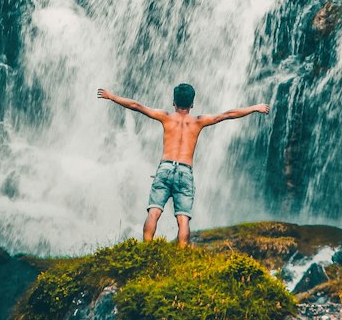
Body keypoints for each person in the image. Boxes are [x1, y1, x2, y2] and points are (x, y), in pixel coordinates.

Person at [97, 83, 270, 245]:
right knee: (183, 219)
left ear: (173, 102)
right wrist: (254, 108)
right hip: (185, 171)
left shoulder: (165, 117)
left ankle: (146, 249)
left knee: (154, 212)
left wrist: (112, 96)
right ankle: (182, 253)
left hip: (165, 168)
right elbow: (227, 114)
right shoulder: (198, 121)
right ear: (192, 104)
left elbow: (137, 106)